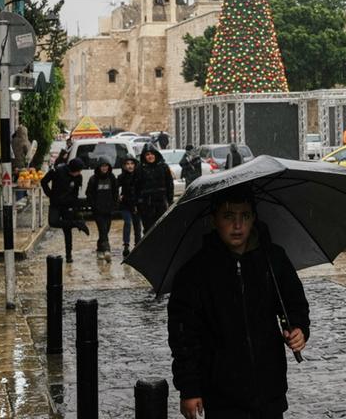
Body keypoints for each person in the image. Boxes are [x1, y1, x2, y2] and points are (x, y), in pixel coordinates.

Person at [168, 187, 310, 419]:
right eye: (228, 216)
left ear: (254, 217)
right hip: (222, 396)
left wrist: (298, 328)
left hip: (269, 391)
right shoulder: (195, 273)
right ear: (214, 220)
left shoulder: (273, 259)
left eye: (244, 215)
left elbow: (295, 304)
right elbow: (184, 336)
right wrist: (189, 388)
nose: (237, 225)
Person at [40, 157, 89, 263]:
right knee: (53, 222)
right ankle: (76, 224)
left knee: (67, 231)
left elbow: (76, 194)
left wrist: (77, 211)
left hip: (68, 206)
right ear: (72, 169)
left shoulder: (78, 177)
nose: (79, 173)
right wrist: (50, 194)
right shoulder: (58, 171)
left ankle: (69, 255)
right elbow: (43, 181)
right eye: (77, 171)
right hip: (55, 204)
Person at [85, 158, 119, 260]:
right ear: (99, 167)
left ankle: (99, 249)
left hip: (108, 210)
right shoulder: (93, 179)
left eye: (106, 166)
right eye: (102, 166)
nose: (104, 168)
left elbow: (115, 192)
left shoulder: (112, 178)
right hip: (98, 211)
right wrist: (93, 206)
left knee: (105, 230)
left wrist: (114, 205)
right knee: (103, 230)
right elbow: (89, 194)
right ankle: (107, 250)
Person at [137, 146, 175, 231]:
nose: (150, 156)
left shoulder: (163, 167)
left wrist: (170, 200)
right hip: (146, 205)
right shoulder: (140, 169)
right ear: (144, 156)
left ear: (156, 154)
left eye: (152, 154)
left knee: (161, 227)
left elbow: (169, 184)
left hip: (161, 203)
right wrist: (139, 203)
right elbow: (137, 187)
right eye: (147, 154)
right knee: (148, 229)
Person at [117, 156, 144, 257]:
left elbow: (142, 190)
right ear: (124, 166)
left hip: (136, 204)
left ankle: (138, 245)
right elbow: (116, 188)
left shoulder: (139, 176)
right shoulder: (121, 177)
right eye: (127, 164)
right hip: (125, 205)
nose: (130, 166)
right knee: (127, 223)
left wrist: (140, 202)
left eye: (132, 164)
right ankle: (126, 245)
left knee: (137, 226)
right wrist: (118, 196)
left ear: (135, 165)